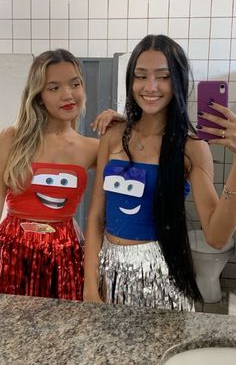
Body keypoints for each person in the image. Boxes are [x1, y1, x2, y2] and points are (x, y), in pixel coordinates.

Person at [83, 34, 236, 310]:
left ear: (177, 80)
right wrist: (89, 283)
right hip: (109, 271)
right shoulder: (113, 135)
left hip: (162, 275)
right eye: (140, 76)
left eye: (163, 76)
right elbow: (95, 216)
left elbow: (216, 236)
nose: (150, 86)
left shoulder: (191, 147)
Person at [0, 48, 123, 300]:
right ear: (39, 96)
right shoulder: (11, 139)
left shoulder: (93, 148)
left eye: (75, 84)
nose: (68, 95)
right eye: (54, 88)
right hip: (10, 253)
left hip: (65, 257)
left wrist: (125, 126)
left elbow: (141, 160)